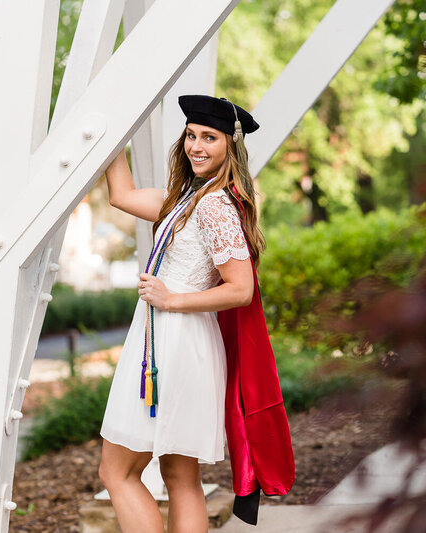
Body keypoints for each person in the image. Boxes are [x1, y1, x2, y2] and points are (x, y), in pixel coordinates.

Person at [98, 95, 293, 533]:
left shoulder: (212, 206)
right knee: (181, 477)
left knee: (118, 472)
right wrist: (111, 129)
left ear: (230, 146)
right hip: (178, 340)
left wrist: (171, 300)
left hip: (173, 342)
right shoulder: (190, 199)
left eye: (210, 137)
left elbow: (241, 289)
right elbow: (122, 195)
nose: (197, 146)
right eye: (191, 135)